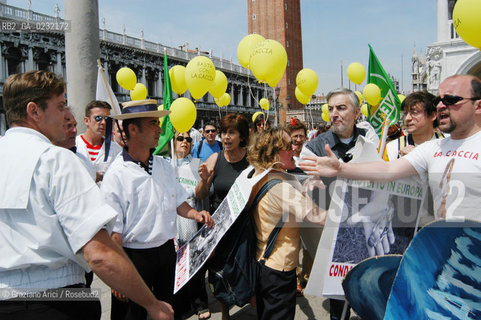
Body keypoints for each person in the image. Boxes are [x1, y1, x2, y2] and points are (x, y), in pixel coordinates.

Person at [0, 70, 174, 320]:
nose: (66, 115)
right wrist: (152, 305)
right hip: (57, 300)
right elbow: (99, 254)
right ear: (34, 111)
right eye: (60, 106)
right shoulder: (57, 160)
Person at [300, 74, 481, 223]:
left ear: (478, 105)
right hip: (443, 253)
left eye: (450, 99)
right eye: (439, 101)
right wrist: (340, 168)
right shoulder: (432, 148)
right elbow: (387, 170)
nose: (441, 105)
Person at [100, 99, 214, 320]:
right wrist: (118, 274)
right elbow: (114, 232)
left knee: (169, 311)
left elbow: (178, 202)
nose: (160, 129)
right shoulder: (116, 175)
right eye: (153, 123)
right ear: (133, 129)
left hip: (166, 253)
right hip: (134, 258)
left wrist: (195, 214)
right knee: (132, 315)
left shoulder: (162, 165)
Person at [300, 88, 379, 320]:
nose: (334, 113)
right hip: (333, 233)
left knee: (367, 289)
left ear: (356, 113)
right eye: (331, 108)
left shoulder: (369, 140)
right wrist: (311, 180)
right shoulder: (315, 146)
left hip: (366, 228)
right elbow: (302, 176)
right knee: (337, 296)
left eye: (341, 108)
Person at [247, 127, 327, 320]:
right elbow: (318, 216)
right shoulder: (282, 187)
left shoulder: (260, 175)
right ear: (273, 152)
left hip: (263, 263)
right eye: (287, 146)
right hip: (278, 270)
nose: (294, 149)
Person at [195, 113, 250, 320]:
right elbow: (200, 194)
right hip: (220, 226)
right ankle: (225, 312)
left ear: (242, 137)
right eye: (224, 132)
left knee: (245, 270)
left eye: (231, 132)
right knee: (219, 271)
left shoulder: (251, 160)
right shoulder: (215, 158)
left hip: (244, 225)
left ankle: (249, 299)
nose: (226, 137)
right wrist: (204, 181)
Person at [168, 131, 211, 320]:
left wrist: (203, 180)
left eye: (188, 139)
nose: (184, 142)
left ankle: (200, 303)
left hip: (191, 217)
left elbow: (200, 194)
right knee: (173, 264)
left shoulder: (195, 163)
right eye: (180, 138)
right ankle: (179, 303)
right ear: (173, 141)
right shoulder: (164, 163)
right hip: (170, 220)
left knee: (194, 262)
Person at [286, 118, 313, 295]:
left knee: (309, 246)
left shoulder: (310, 155)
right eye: (295, 136)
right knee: (293, 243)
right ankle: (295, 280)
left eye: (301, 136)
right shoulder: (285, 155)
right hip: (289, 206)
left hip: (310, 205)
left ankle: (305, 276)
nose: (298, 139)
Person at [386, 91, 444, 161]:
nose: (407, 118)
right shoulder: (394, 148)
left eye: (414, 112)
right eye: (405, 113)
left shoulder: (447, 145)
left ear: (433, 115)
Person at [76, 100, 122, 183]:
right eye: (98, 118)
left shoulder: (116, 150)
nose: (103, 122)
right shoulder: (75, 146)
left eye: (107, 119)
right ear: (86, 121)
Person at [52, 107, 96, 181]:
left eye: (75, 125)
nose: (74, 130)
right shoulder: (46, 159)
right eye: (69, 126)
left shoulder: (83, 159)